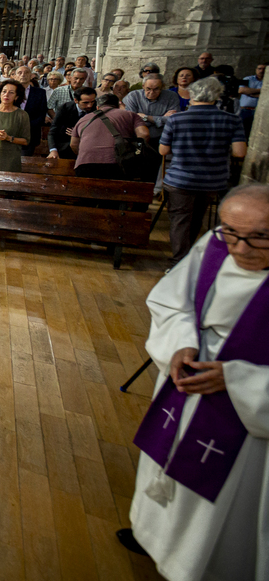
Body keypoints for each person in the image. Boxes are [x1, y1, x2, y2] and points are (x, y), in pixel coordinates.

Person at [120, 183, 269, 580]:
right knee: (161, 462)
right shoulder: (212, 245)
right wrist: (182, 344)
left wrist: (239, 379)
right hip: (187, 370)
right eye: (231, 232)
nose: (240, 248)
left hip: (248, 403)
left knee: (221, 507)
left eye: (260, 237)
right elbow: (172, 300)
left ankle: (193, 565)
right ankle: (151, 533)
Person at [159, 76, 248, 265]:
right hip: (212, 179)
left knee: (180, 220)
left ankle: (179, 262)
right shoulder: (231, 120)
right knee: (197, 218)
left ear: (192, 95)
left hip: (181, 178)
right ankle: (191, 258)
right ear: (217, 95)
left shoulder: (176, 119)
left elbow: (163, 150)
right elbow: (240, 152)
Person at [69, 93, 150, 179]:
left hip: (84, 165)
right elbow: (144, 134)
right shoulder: (130, 115)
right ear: (118, 105)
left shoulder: (83, 119)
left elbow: (73, 144)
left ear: (97, 107)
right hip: (117, 163)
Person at [48, 86, 96, 161]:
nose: (90, 105)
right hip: (65, 148)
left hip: (89, 149)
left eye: (92, 102)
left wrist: (79, 133)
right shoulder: (64, 108)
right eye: (85, 103)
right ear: (76, 100)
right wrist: (53, 150)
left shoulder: (96, 108)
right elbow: (53, 131)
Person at [10, 66, 46, 157]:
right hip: (10, 132)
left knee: (24, 162)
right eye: (20, 73)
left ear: (31, 76)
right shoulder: (8, 91)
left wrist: (26, 126)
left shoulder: (40, 93)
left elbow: (41, 116)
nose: (23, 75)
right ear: (15, 76)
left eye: (26, 73)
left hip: (30, 134)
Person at [238, 63, 263, 139]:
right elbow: (241, 90)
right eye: (259, 68)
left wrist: (251, 92)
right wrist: (261, 91)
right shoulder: (247, 79)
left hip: (260, 111)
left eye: (264, 69)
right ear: (256, 70)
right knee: (243, 133)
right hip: (246, 110)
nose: (261, 71)